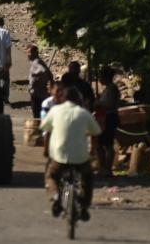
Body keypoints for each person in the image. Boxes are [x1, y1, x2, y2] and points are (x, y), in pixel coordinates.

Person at [41, 87, 102, 221]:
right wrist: (92, 151)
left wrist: (46, 149)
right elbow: (96, 133)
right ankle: (84, 206)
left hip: (59, 157)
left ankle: (56, 195)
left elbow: (46, 131)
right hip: (81, 158)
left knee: (51, 175)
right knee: (88, 177)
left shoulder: (55, 111)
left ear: (63, 98)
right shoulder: (84, 113)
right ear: (78, 100)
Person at [95, 66, 121, 177]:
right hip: (104, 118)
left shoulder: (112, 89)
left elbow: (109, 104)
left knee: (107, 144)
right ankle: (102, 167)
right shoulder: (107, 89)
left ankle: (107, 169)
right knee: (100, 144)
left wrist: (98, 104)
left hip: (109, 118)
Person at [27, 44, 53, 119]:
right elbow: (50, 74)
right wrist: (51, 83)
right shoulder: (40, 61)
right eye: (27, 53)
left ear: (35, 53)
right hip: (42, 93)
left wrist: (35, 74)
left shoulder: (36, 62)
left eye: (29, 53)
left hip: (36, 94)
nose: (28, 55)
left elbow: (43, 70)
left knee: (37, 116)